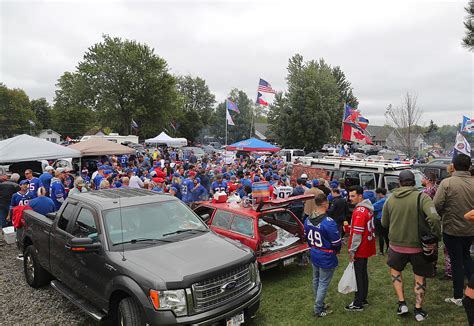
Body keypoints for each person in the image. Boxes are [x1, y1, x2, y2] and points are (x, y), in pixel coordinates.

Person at [381, 170, 441, 321]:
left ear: (399, 182)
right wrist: (435, 235)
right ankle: (419, 310)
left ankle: (402, 303)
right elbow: (434, 217)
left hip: (396, 245)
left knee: (395, 272)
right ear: (414, 182)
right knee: (419, 277)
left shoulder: (391, 198)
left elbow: (384, 223)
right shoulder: (422, 197)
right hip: (418, 246)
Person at [434, 154, 474, 306]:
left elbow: (436, 204)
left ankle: (458, 296)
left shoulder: (447, 183)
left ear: (454, 166)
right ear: (469, 166)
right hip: (470, 229)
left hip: (452, 230)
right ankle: (471, 293)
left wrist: (444, 214)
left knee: (457, 261)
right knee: (466, 257)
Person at [304, 193, 341, 317]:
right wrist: (337, 251)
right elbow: (336, 243)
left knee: (316, 280)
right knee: (323, 282)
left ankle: (319, 303)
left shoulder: (307, 219)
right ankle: (318, 309)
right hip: (326, 255)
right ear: (325, 203)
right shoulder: (328, 222)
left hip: (314, 252)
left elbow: (306, 237)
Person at [345, 185, 376, 312]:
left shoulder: (359, 211)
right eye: (349, 195)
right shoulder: (368, 209)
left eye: (353, 196)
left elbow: (357, 234)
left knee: (358, 275)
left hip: (360, 248)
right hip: (367, 245)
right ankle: (363, 298)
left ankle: (358, 303)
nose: (350, 198)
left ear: (360, 196)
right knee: (363, 273)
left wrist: (352, 250)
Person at [373, 188, 389, 255]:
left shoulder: (382, 200)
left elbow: (373, 206)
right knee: (386, 235)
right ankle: (388, 248)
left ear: (380, 193)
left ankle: (381, 251)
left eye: (377, 194)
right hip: (387, 219)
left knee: (381, 236)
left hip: (380, 219)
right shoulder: (387, 198)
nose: (377, 195)